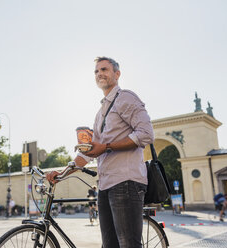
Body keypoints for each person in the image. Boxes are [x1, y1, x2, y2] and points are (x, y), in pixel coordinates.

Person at [47, 56, 154, 248]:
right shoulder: (100, 112)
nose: (99, 74)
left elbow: (146, 134)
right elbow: (88, 152)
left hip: (126, 181)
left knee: (129, 245)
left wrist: (106, 147)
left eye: (104, 69)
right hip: (105, 185)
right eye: (96, 71)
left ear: (117, 74)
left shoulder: (126, 98)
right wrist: (62, 174)